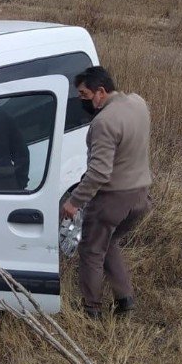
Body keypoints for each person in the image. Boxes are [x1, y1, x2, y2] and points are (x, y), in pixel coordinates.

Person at [61, 66, 151, 318]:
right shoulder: (138, 103)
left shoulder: (103, 122)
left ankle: (91, 309)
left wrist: (74, 201)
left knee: (91, 250)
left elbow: (100, 172)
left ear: (100, 91)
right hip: (141, 196)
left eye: (83, 94)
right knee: (109, 242)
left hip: (113, 199)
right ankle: (125, 300)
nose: (82, 100)